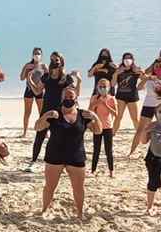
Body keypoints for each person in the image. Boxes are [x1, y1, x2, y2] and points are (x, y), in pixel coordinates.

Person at [36, 85, 101, 216]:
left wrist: (95, 117)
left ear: (76, 98)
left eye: (71, 97)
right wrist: (45, 116)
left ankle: (80, 213)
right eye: (65, 97)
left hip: (76, 156)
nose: (68, 99)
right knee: (49, 187)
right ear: (61, 98)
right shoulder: (54, 114)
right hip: (55, 155)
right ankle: (44, 210)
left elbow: (98, 130)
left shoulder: (83, 115)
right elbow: (37, 127)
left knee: (78, 188)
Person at [26, 52, 78, 171]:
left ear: (61, 61)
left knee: (61, 137)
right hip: (46, 109)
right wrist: (29, 80)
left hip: (61, 111)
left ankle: (64, 163)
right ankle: (33, 161)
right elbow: (38, 92)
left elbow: (73, 94)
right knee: (40, 135)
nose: (54, 62)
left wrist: (78, 81)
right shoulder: (46, 76)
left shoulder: (66, 78)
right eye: (52, 60)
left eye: (56, 60)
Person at [129, 58, 161, 157]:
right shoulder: (149, 78)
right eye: (156, 66)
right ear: (153, 67)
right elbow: (138, 88)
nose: (158, 68)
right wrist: (146, 78)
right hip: (148, 106)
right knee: (140, 130)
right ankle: (132, 151)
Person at [88, 77, 118, 177]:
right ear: (97, 87)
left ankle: (111, 171)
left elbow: (116, 114)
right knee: (96, 149)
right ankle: (93, 170)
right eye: (100, 86)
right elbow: (89, 112)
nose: (102, 88)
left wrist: (106, 105)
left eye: (104, 86)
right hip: (97, 126)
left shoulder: (111, 98)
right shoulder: (94, 97)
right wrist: (94, 104)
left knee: (108, 150)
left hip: (108, 127)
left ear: (109, 87)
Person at [20, 47, 47, 138]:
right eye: (35, 53)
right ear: (32, 55)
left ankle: (45, 132)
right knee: (27, 112)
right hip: (29, 90)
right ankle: (25, 132)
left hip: (40, 90)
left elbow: (48, 78)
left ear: (41, 55)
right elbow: (21, 78)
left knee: (42, 112)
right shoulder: (28, 65)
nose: (37, 55)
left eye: (38, 53)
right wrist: (26, 69)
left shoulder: (43, 66)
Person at [112, 52, 141, 133]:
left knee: (135, 118)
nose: (127, 60)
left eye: (129, 58)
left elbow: (145, 79)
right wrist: (116, 73)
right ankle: (112, 134)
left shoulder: (135, 70)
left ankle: (139, 135)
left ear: (132, 60)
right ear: (122, 60)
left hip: (132, 97)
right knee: (118, 117)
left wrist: (140, 71)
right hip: (121, 96)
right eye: (125, 58)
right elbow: (112, 84)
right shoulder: (119, 70)